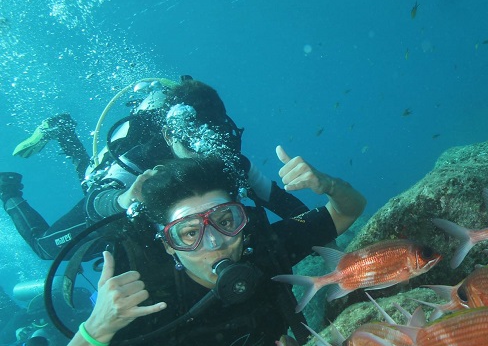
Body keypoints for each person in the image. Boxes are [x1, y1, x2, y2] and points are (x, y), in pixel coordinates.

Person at [18, 154, 366, 346]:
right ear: (170, 246)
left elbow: (348, 209)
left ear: (242, 220)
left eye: (225, 219)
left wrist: (328, 184)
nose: (214, 243)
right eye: (189, 232)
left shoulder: (262, 252)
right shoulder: (146, 309)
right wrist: (99, 327)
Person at [0, 77, 310, 261]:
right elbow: (98, 198)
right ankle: (9, 191)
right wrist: (122, 201)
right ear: (169, 135)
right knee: (47, 249)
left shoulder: (228, 158)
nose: (202, 157)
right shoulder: (141, 158)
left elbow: (284, 204)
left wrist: (319, 233)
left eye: (211, 141)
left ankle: (66, 135)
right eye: (191, 144)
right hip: (117, 202)